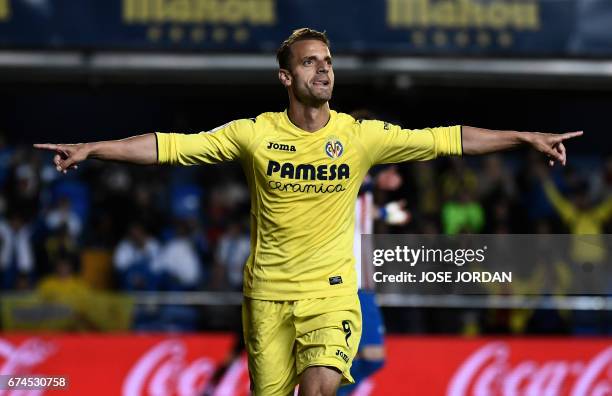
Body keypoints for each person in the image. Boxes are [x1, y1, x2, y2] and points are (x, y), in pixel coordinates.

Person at [35, 27, 582, 396]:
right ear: (285, 78)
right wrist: (93, 147)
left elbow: (448, 139)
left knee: (321, 384)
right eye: (310, 63)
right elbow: (169, 146)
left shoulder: (360, 136)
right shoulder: (253, 134)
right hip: (267, 294)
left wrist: (523, 137)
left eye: (328, 62)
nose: (324, 71)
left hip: (332, 291)